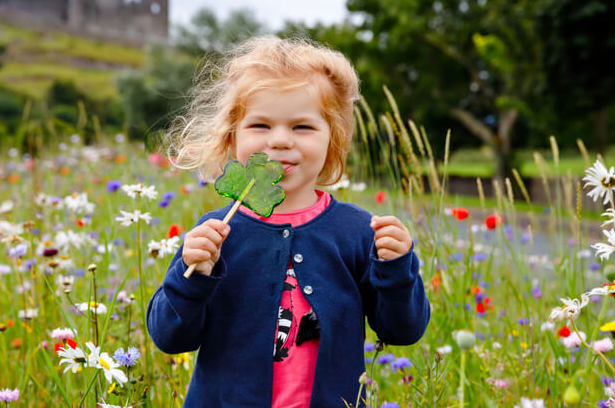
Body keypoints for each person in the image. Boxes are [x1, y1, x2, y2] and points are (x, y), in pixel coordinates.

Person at [147, 36, 430, 407]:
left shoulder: (358, 232)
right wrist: (192, 275)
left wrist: (396, 268)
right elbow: (170, 337)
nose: (279, 141)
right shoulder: (215, 235)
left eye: (302, 127)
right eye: (260, 125)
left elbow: (402, 329)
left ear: (334, 140)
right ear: (233, 138)